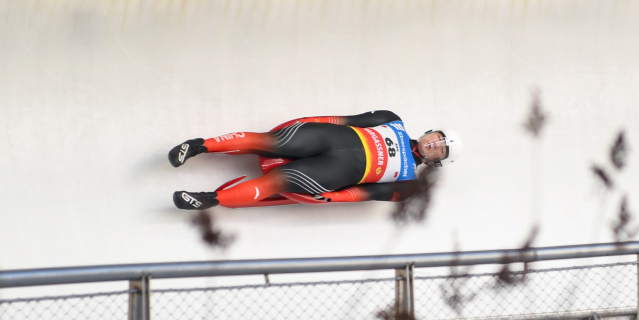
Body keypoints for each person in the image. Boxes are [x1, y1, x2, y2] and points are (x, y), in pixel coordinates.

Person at [169, 111, 461, 209]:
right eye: (437, 136)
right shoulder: (392, 120)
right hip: (325, 137)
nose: (435, 143)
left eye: (440, 148)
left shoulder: (408, 184)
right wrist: (310, 121)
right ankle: (198, 146)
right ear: (429, 131)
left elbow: (366, 193)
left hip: (331, 172)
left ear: (437, 161)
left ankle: (210, 199)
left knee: (275, 182)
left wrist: (331, 198)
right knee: (266, 141)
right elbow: (345, 119)